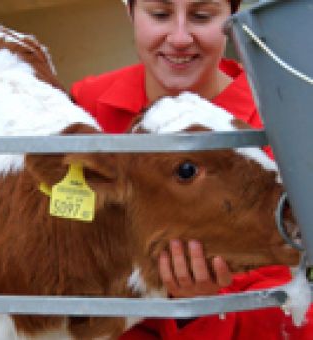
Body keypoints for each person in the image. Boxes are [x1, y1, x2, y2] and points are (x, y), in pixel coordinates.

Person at [70, 0, 313, 339]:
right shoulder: (86, 109)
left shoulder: (284, 116)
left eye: (202, 16)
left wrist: (204, 307)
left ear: (232, 19)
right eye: (160, 14)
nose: (180, 37)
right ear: (130, 13)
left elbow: (299, 309)